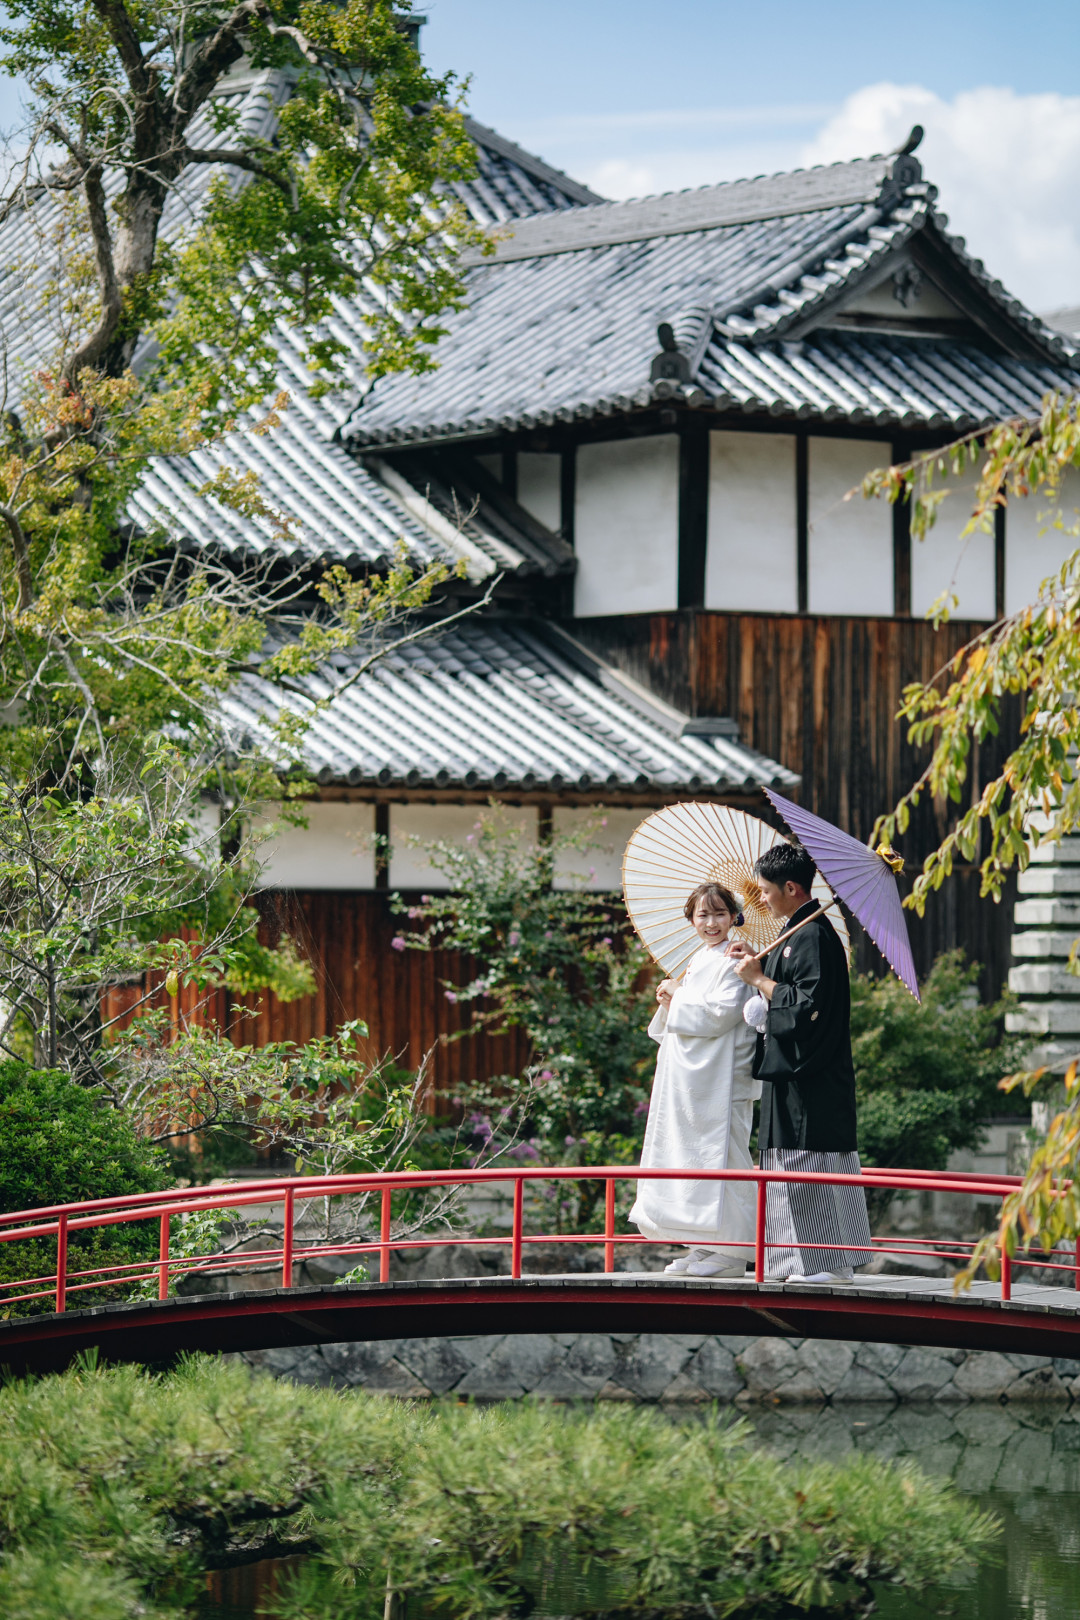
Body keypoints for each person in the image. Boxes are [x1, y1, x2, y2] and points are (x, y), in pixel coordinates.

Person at [728, 841, 871, 1283]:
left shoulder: (811, 934)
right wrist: (759, 963)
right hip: (799, 1070)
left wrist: (760, 979)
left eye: (767, 890)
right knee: (804, 1164)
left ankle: (822, 1263)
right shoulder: (801, 933)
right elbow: (786, 990)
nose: (761, 899)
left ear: (791, 887)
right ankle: (830, 1261)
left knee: (805, 1165)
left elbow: (805, 1005)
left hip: (809, 1072)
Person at [629, 882, 759, 1278]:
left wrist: (678, 996)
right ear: (691, 920)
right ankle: (704, 1243)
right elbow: (680, 1019)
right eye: (703, 915)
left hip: (721, 1076)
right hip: (691, 1076)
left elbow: (720, 1014)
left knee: (726, 1156)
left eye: (720, 913)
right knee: (689, 1156)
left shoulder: (739, 958)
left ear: (734, 917)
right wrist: (671, 997)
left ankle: (735, 1251)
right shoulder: (699, 959)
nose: (711, 922)